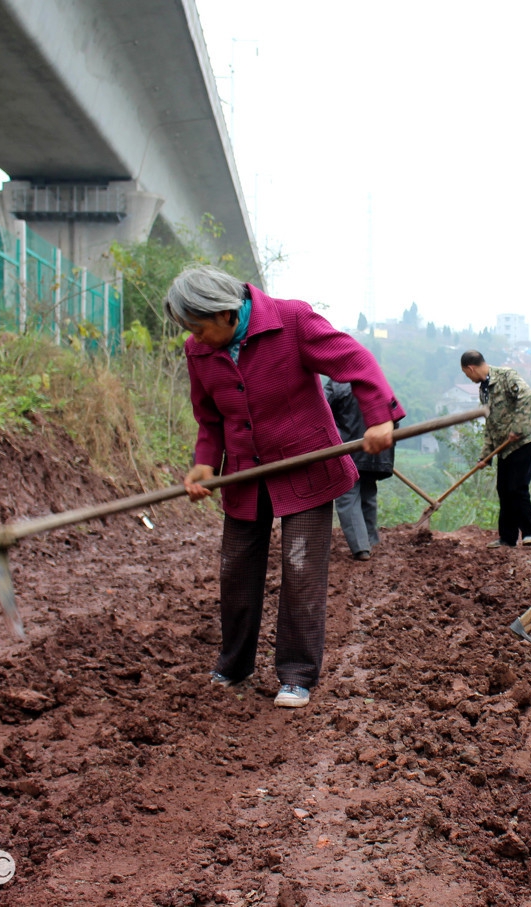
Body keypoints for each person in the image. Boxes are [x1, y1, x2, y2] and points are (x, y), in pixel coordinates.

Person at [169, 265, 405, 709]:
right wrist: (204, 464)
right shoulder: (198, 351)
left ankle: (296, 674)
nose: (195, 338)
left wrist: (379, 416)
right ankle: (234, 665)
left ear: (225, 314)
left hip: (305, 466)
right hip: (244, 473)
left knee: (301, 570)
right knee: (235, 571)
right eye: (189, 330)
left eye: (199, 328)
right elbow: (210, 418)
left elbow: (354, 361)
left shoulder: (291, 321)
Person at [459, 350, 531, 548]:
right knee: (503, 490)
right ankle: (507, 538)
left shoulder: (506, 376)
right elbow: (490, 426)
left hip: (524, 442)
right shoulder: (484, 390)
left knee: (517, 488)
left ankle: (530, 534)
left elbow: (527, 396)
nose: (468, 378)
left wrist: (517, 429)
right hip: (504, 448)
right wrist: (485, 457)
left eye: (466, 374)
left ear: (471, 368)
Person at [323, 378, 396, 561]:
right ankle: (371, 541)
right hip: (377, 452)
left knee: (348, 497)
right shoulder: (378, 384)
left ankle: (361, 548)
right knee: (367, 493)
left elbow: (321, 412)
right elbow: (395, 417)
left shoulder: (336, 386)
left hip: (349, 451)